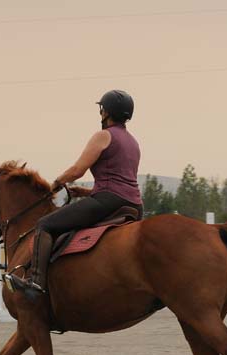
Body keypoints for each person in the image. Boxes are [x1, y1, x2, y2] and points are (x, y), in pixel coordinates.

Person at [20, 89, 144, 300]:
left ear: (106, 112)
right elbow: (120, 181)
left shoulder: (104, 136)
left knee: (44, 225)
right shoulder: (133, 143)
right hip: (134, 205)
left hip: (108, 202)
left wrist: (58, 182)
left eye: (102, 110)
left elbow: (78, 170)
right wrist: (86, 192)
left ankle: (36, 283)